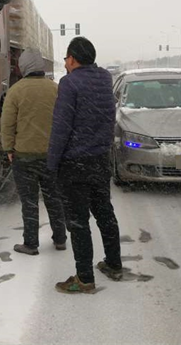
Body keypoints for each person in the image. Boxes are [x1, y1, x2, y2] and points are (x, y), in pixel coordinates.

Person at [48, 37, 122, 294]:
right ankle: (113, 264)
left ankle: (84, 278)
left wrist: (52, 163)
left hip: (75, 163)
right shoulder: (105, 79)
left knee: (79, 221)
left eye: (66, 58)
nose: (66, 64)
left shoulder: (69, 84)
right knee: (105, 214)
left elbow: (61, 128)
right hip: (100, 160)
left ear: (73, 59)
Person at [0, 49, 67, 255]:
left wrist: (8, 148)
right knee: (54, 198)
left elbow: (7, 123)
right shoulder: (55, 89)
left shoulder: (16, 90)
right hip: (51, 155)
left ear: (23, 67)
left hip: (24, 156)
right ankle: (60, 239)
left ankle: (31, 243)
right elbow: (64, 121)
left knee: (29, 202)